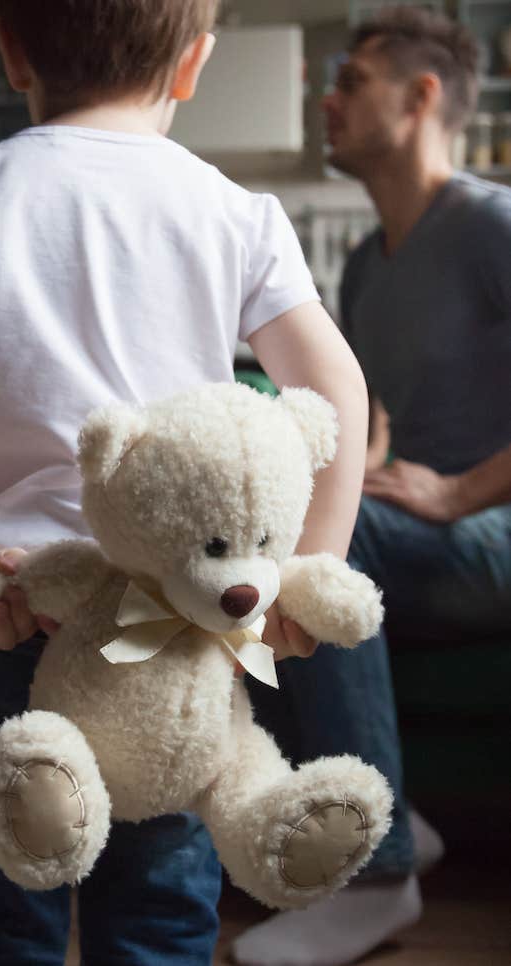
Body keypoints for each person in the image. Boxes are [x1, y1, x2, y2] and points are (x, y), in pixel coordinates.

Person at [0, 1, 374, 962]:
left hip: (11, 609)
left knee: (1, 917)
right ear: (195, 62)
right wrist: (304, 570)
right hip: (177, 627)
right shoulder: (234, 211)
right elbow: (334, 387)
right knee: (159, 918)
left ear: (10, 49)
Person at [232, 8, 511, 966]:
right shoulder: (361, 270)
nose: (329, 98)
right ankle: (390, 814)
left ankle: (380, 872)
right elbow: (375, 422)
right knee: (244, 562)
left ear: (423, 95)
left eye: (351, 79)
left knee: (328, 547)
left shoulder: (491, 225)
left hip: (493, 533)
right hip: (433, 536)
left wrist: (457, 493)